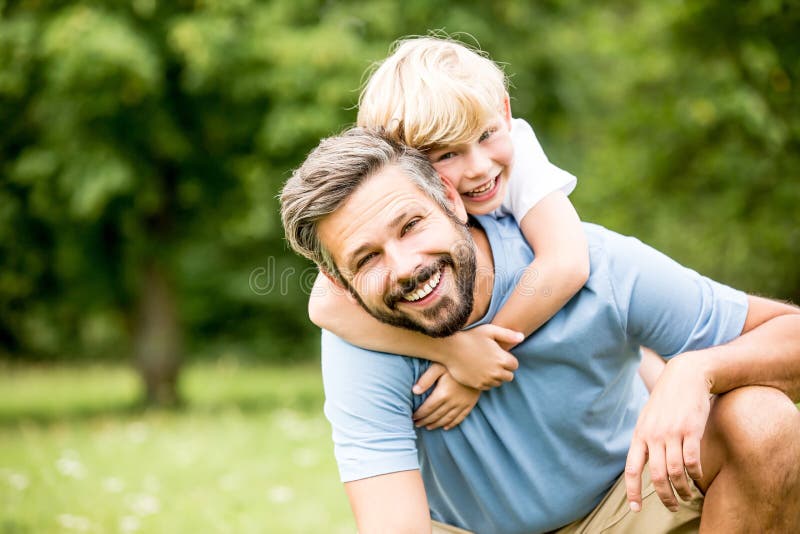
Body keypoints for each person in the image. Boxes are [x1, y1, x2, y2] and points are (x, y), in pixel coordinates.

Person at [280, 128, 800, 533]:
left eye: (411, 225)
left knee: (762, 419)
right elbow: (395, 525)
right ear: (336, 280)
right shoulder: (361, 342)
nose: (405, 266)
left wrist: (698, 367)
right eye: (367, 258)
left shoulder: (594, 262)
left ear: (449, 197)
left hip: (632, 504)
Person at [308, 36, 662, 430]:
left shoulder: (518, 152)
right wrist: (455, 351)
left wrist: (479, 360)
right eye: (446, 155)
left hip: (599, 358)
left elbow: (567, 263)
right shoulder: (407, 198)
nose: (478, 167)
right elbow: (324, 306)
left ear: (505, 112)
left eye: (485, 136)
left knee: (634, 345)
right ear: (406, 167)